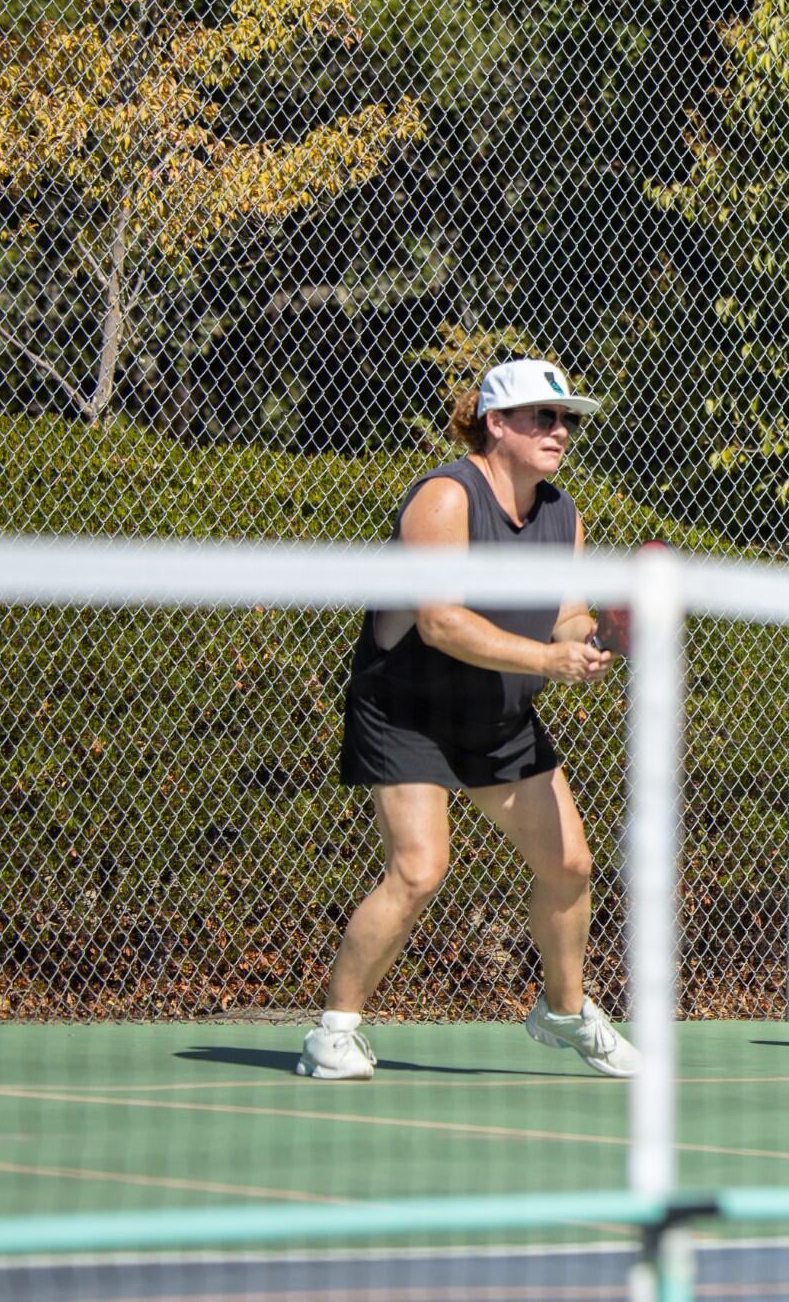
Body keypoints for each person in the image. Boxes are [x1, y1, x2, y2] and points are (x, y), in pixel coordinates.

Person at [296, 358, 635, 1081]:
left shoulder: (562, 514)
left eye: (567, 418)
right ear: (497, 424)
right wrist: (547, 662)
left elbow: (566, 614)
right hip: (409, 713)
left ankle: (564, 1012)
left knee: (571, 864)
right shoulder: (447, 497)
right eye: (544, 417)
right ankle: (335, 1029)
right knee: (419, 870)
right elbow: (442, 621)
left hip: (499, 718)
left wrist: (587, 642)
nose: (560, 430)